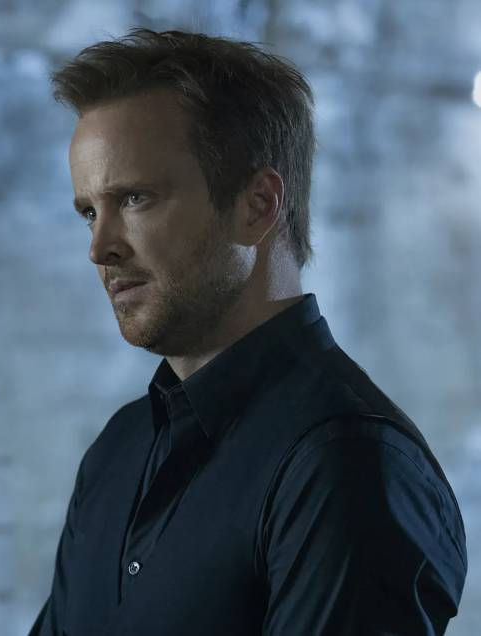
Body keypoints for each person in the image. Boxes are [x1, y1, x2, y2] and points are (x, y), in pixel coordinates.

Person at [30, 29, 467, 635]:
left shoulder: (345, 464)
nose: (100, 248)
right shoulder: (118, 450)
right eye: (88, 212)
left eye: (135, 199)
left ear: (257, 205)